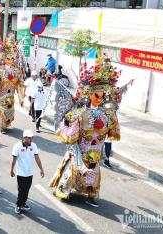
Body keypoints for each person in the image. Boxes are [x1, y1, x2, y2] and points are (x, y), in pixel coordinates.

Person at [50, 57, 121, 208]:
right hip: (79, 150)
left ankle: (91, 195)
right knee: (72, 171)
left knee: (93, 174)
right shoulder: (79, 112)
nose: (99, 99)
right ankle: (63, 190)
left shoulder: (107, 113)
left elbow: (109, 131)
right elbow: (70, 136)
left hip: (95, 152)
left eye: (102, 97)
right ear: (89, 93)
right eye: (96, 96)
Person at [11, 130, 44, 214]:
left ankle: (23, 203)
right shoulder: (17, 146)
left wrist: (41, 169)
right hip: (21, 173)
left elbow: (37, 158)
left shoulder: (34, 146)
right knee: (21, 190)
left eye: (31, 138)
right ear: (24, 138)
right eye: (29, 138)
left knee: (26, 190)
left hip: (29, 172)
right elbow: (14, 159)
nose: (30, 140)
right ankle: (19, 205)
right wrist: (12, 169)